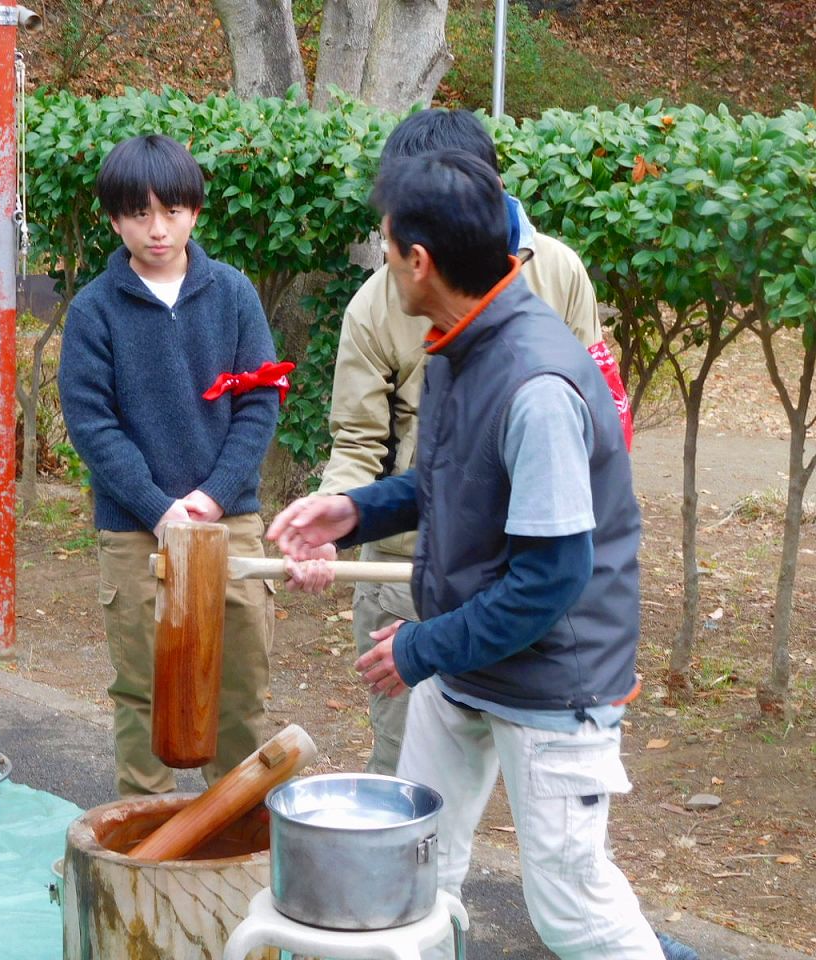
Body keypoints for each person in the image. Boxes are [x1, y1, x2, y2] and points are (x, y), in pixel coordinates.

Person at [270, 149, 666, 959]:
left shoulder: (536, 386)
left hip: (555, 677)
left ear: (420, 262)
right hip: (468, 662)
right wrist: (353, 509)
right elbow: (447, 479)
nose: (384, 263)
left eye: (386, 248)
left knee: (572, 907)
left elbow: (552, 579)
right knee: (417, 871)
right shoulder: (460, 336)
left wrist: (420, 647)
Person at [317, 108, 619, 776]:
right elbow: (364, 442)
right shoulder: (387, 306)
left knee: (561, 855)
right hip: (413, 574)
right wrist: (340, 518)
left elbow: (592, 434)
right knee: (414, 791)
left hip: (532, 592)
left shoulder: (552, 288)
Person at [58, 134, 281, 797]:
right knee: (142, 691)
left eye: (173, 210)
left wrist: (211, 498)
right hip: (135, 532)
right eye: (139, 214)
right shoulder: (94, 310)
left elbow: (260, 402)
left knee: (240, 690)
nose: (158, 229)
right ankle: (144, 840)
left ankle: (239, 828)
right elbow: (92, 425)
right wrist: (160, 509)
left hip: (231, 524)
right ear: (113, 218)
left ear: (196, 212)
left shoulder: (234, 294)